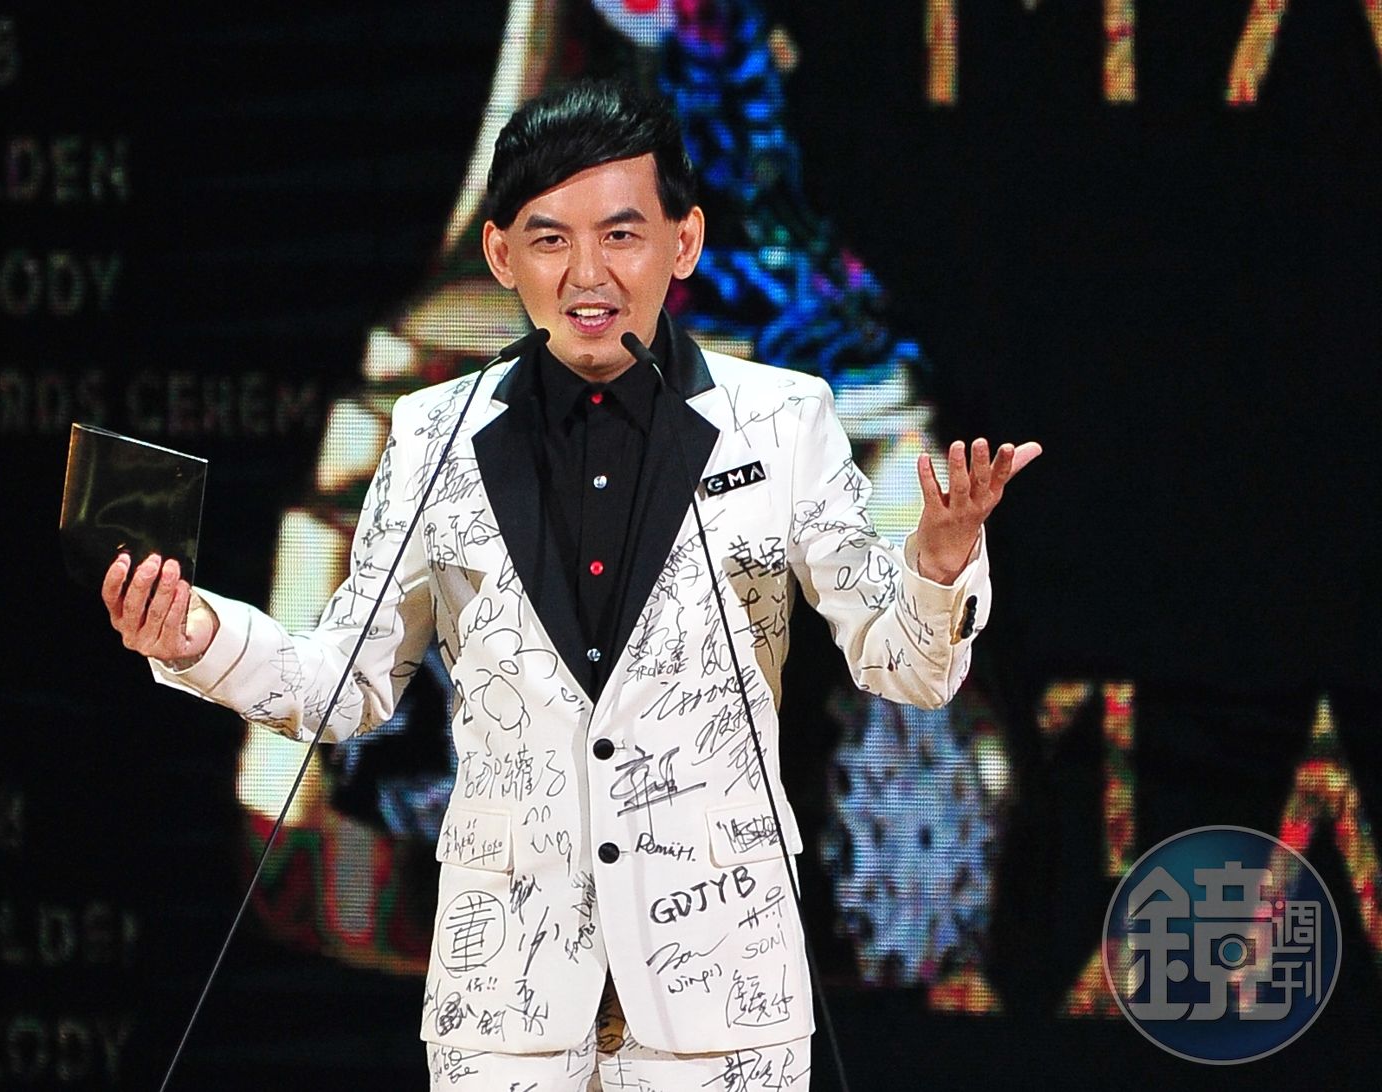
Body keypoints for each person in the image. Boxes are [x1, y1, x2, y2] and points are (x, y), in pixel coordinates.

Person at [103, 80, 1039, 1092]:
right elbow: (345, 687)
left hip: (720, 1002)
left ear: (684, 242)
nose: (587, 274)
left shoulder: (783, 422)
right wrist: (198, 639)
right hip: (506, 1006)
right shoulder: (430, 434)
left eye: (621, 235)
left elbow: (906, 668)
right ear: (501, 254)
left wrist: (939, 563)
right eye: (550, 240)